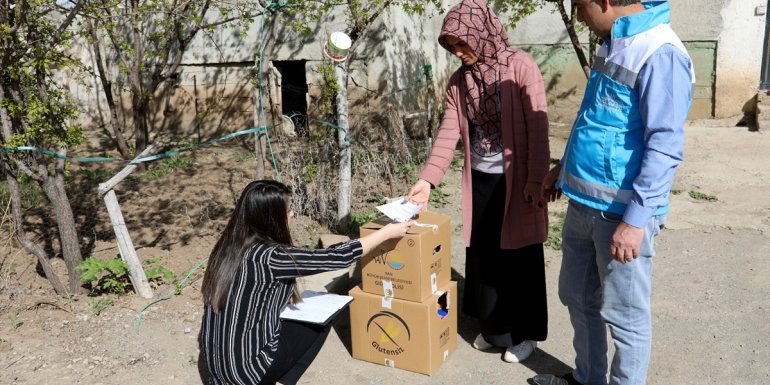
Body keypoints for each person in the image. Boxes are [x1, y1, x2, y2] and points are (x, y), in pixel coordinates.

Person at [533, 1, 695, 385]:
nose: (577, 16)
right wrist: (564, 167)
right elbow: (595, 115)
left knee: (625, 317)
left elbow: (664, 146)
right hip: (583, 203)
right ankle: (588, 377)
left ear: (604, 0)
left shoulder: (661, 52)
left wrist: (635, 221)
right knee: (577, 298)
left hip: (621, 216)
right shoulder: (613, 42)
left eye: (580, 5)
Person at [406, 0, 551, 364]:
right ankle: (495, 329)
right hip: (482, 180)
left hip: (517, 182)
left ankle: (523, 335)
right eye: (451, 46)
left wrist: (535, 178)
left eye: (461, 43)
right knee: (485, 256)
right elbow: (449, 131)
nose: (458, 52)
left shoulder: (520, 67)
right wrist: (428, 180)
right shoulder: (460, 81)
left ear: (480, 33)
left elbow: (539, 128)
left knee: (519, 257)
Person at [198, 180, 413, 385]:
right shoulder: (271, 256)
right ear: (271, 217)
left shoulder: (225, 248)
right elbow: (337, 257)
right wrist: (387, 232)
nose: (292, 214)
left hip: (219, 371)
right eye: (289, 210)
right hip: (248, 373)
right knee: (326, 311)